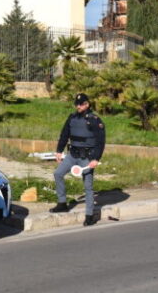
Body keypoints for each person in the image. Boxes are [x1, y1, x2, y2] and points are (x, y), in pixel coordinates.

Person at [49, 93, 106, 226]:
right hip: (72, 155)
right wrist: (59, 151)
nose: (78, 106)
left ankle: (90, 216)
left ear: (87, 104)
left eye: (80, 104)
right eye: (76, 104)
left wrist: (96, 159)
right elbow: (64, 134)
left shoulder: (94, 120)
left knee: (88, 187)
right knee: (58, 174)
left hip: (87, 157)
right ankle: (62, 203)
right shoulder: (72, 118)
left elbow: (100, 141)